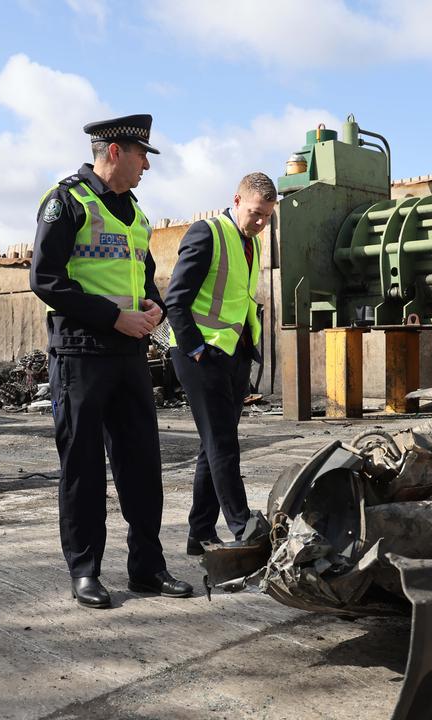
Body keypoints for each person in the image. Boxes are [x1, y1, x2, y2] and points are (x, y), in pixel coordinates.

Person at [29, 113, 192, 609]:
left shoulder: (137, 213)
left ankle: (147, 568)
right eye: (142, 155)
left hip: (129, 355)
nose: (147, 165)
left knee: (142, 463)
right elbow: (46, 279)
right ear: (115, 151)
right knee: (82, 467)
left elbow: (140, 276)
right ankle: (86, 571)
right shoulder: (65, 202)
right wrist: (111, 318)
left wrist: (153, 307)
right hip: (81, 354)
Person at [165, 172, 277, 556]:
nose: (260, 223)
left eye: (267, 217)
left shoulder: (252, 244)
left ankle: (199, 535)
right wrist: (195, 348)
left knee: (212, 447)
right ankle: (243, 525)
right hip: (201, 355)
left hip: (234, 353)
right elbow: (175, 299)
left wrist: (246, 348)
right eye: (255, 214)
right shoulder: (206, 233)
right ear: (237, 200)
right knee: (223, 443)